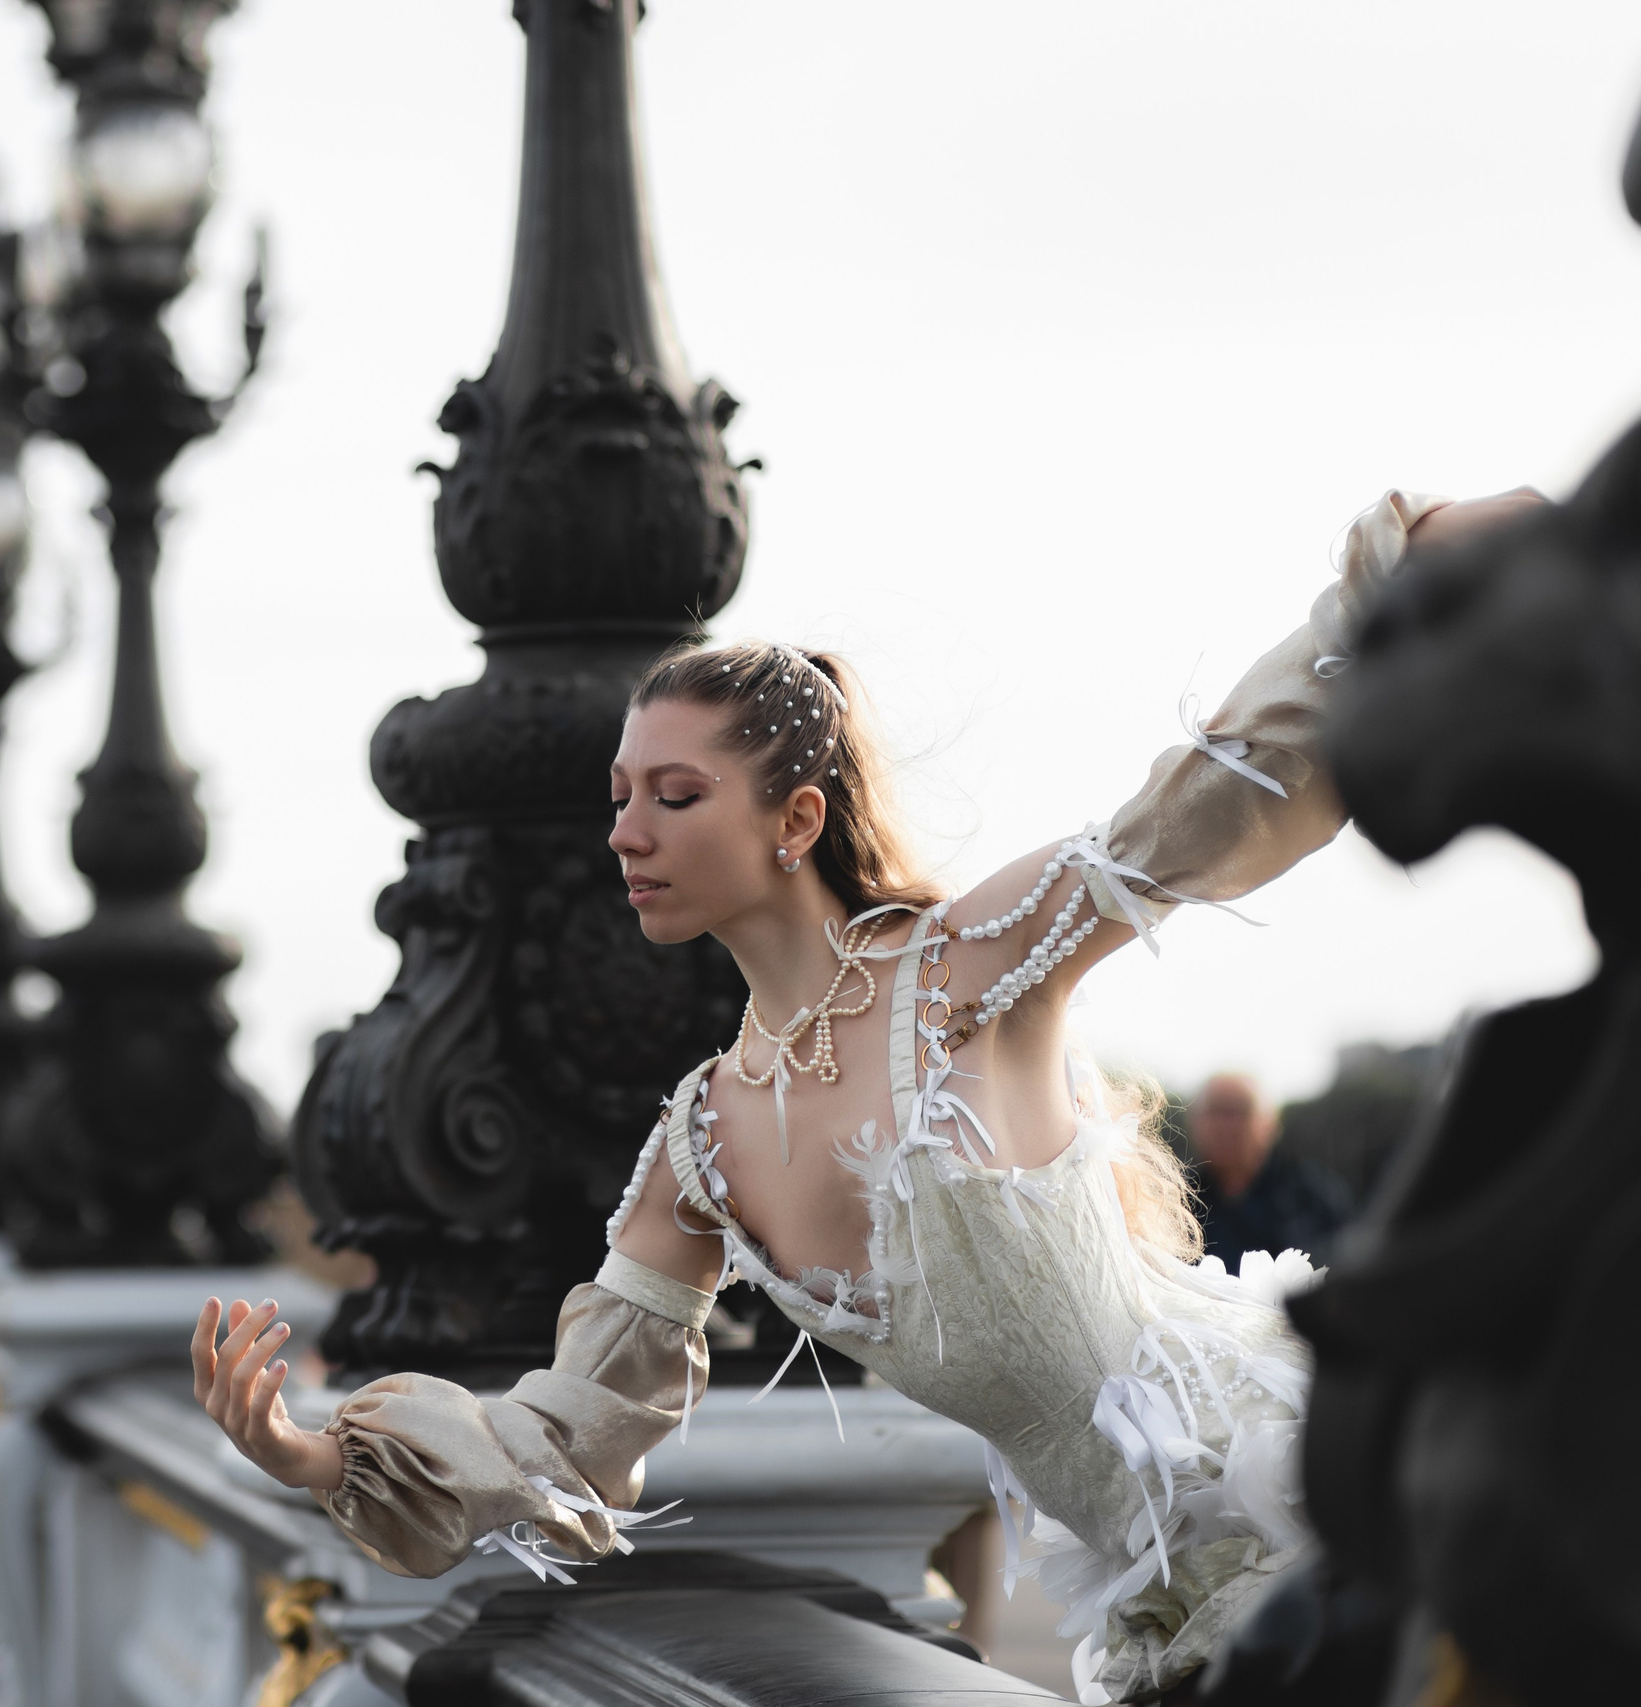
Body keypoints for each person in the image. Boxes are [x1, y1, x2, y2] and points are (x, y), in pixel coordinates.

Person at [192, 488, 1546, 1704]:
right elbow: (572, 1430)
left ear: (793, 821)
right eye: (618, 798)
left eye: (674, 793)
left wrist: (1393, 578)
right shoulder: (703, 1141)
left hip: (1314, 1492)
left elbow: (1195, 812)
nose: (627, 832)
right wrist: (325, 1457)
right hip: (1156, 1599)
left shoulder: (958, 968)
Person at [1184, 1072, 1352, 1271]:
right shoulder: (1173, 1204)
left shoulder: (1314, 1199)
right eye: (1215, 1111)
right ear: (1194, 1122)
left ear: (1271, 1123)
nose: (1225, 1125)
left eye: (1238, 1110)